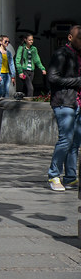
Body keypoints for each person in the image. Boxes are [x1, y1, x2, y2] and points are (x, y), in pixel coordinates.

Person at [45, 25, 81, 192]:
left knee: (74, 142)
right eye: (79, 38)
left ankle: (71, 177)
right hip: (64, 102)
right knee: (65, 140)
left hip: (77, 103)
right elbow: (52, 78)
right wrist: (77, 81)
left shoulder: (77, 55)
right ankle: (54, 175)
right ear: (69, 38)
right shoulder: (61, 54)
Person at [14, 33, 46, 100]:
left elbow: (37, 59)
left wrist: (42, 68)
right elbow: (17, 60)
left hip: (31, 71)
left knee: (26, 87)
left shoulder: (34, 49)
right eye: (29, 40)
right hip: (24, 70)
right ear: (25, 40)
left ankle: (20, 99)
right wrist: (20, 71)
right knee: (30, 88)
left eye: (32, 40)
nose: (31, 41)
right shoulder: (21, 48)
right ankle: (29, 103)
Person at [0, 34, 16, 98]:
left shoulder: (8, 53)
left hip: (7, 74)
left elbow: (11, 64)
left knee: (6, 92)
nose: (7, 43)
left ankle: (5, 107)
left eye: (8, 42)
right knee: (1, 91)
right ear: (0, 42)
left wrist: (13, 76)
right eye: (5, 41)